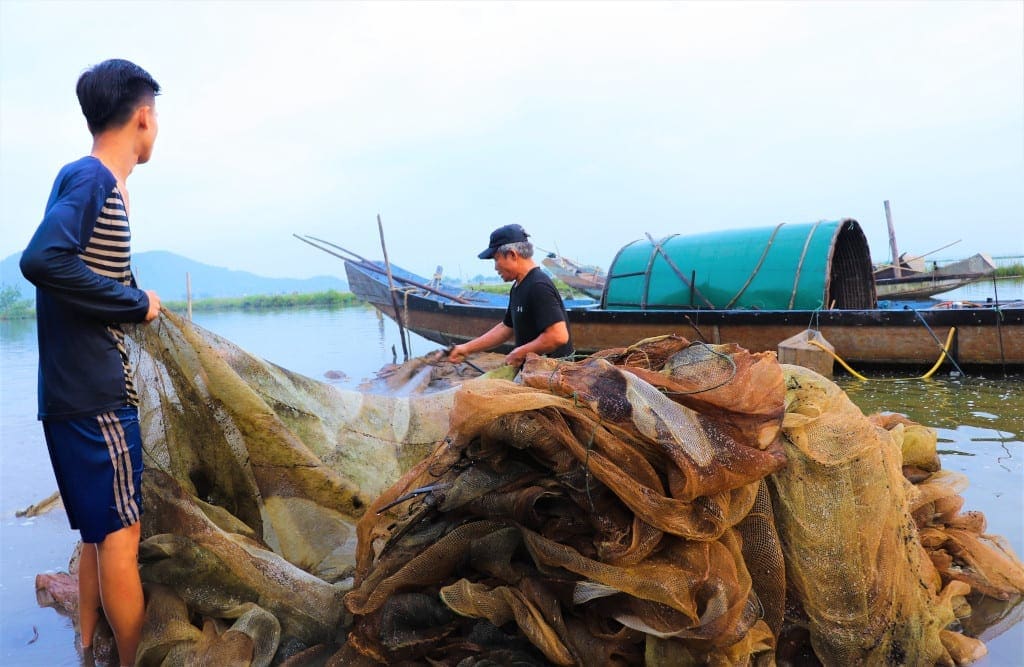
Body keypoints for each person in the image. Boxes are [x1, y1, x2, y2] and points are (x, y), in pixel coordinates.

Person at [19, 59, 162, 667]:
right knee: (123, 537)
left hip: (64, 396)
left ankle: (85, 647)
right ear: (143, 116)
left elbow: (74, 268)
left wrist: (128, 294)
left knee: (94, 534)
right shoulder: (94, 179)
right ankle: (129, 660)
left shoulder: (79, 178)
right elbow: (43, 259)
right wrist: (136, 303)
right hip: (99, 396)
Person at [449, 224, 573, 367]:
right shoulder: (518, 286)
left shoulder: (538, 286)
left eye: (496, 259)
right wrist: (466, 348)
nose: (495, 267)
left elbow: (558, 336)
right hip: (531, 372)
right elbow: (506, 328)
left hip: (552, 375)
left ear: (512, 255)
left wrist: (520, 352)